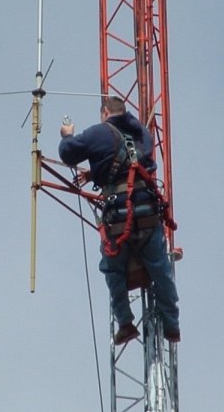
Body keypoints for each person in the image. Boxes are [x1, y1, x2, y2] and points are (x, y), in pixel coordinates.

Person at [58, 96, 180, 345]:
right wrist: (97, 170)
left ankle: (125, 323)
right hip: (148, 214)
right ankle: (172, 326)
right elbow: (133, 161)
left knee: (113, 270)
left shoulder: (98, 133)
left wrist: (67, 135)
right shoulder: (141, 132)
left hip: (119, 219)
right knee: (161, 270)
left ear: (105, 112)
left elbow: (69, 155)